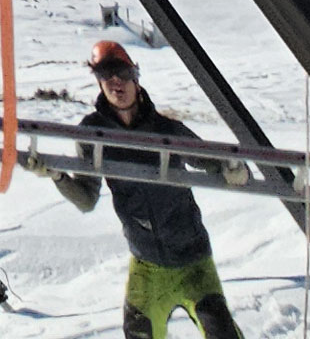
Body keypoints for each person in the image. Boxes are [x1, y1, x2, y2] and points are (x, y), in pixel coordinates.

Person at [53, 39, 245, 339]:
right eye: (106, 76)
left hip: (193, 261)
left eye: (122, 74)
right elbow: (87, 198)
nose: (116, 84)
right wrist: (57, 176)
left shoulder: (165, 129)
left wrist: (233, 169)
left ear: (136, 78)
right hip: (147, 268)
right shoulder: (92, 134)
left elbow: (209, 159)